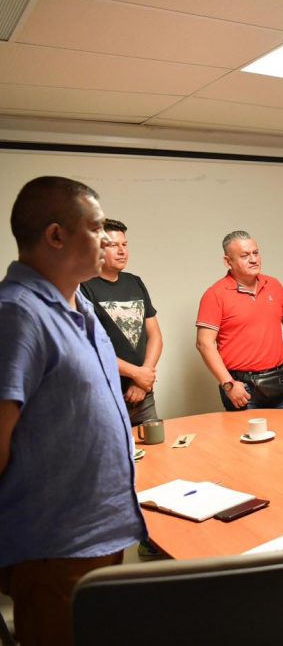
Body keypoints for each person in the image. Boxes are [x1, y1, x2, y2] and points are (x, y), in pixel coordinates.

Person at [0, 176, 146, 646]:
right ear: (56, 235)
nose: (107, 238)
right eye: (97, 226)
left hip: (97, 535)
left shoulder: (78, 303)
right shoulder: (17, 314)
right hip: (53, 546)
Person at [196, 230, 283, 411]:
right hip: (242, 389)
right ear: (228, 262)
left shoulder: (274, 285)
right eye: (245, 255)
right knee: (247, 439)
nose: (253, 259)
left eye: (256, 253)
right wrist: (228, 384)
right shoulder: (215, 294)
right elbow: (204, 343)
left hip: (279, 383)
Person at [81, 219, 163, 426]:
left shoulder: (134, 282)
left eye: (124, 245)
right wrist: (139, 374)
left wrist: (142, 380)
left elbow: (155, 336)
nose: (121, 251)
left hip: (143, 394)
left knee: (155, 452)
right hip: (105, 395)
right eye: (112, 245)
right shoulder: (82, 288)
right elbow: (89, 347)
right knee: (113, 457)